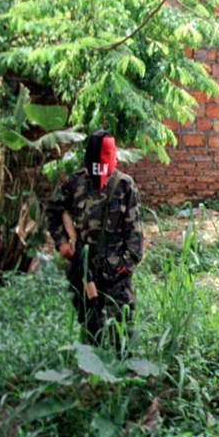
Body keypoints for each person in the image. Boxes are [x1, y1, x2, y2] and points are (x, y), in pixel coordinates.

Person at [46, 129, 143, 348]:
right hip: (83, 267)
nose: (109, 159)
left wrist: (125, 265)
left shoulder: (124, 185)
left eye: (112, 152)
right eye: (104, 153)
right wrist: (62, 241)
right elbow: (54, 210)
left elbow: (135, 233)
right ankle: (93, 372)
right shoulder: (75, 183)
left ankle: (121, 372)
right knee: (90, 324)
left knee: (122, 327)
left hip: (115, 272)